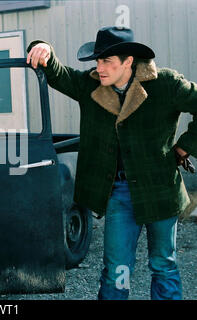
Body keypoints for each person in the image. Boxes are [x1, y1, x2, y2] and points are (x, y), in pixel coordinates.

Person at [27, 26, 196, 300]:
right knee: (117, 268)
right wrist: (42, 46)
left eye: (107, 61)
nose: (100, 67)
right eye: (97, 60)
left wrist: (185, 147)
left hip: (161, 190)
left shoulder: (166, 84)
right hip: (118, 193)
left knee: (163, 265)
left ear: (128, 62)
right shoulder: (91, 85)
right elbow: (58, 73)